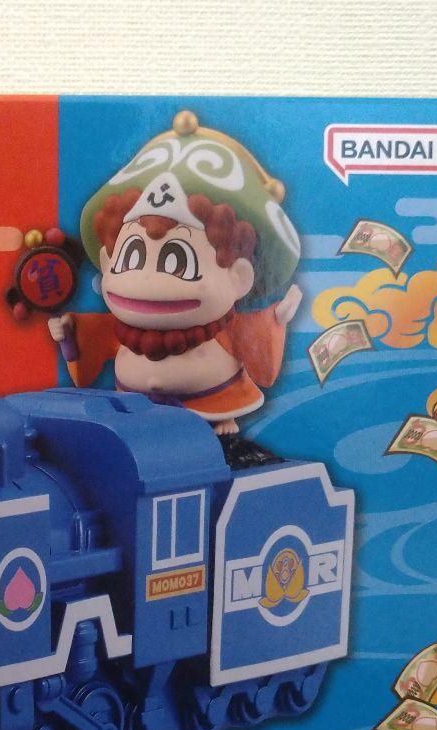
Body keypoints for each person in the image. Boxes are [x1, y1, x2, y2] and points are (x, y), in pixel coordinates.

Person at [49, 110, 302, 467]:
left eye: (176, 261)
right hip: (133, 415)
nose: (147, 282)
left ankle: (216, 425)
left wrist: (277, 318)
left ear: (240, 278)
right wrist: (68, 335)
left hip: (209, 410)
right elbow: (90, 341)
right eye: (131, 256)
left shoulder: (224, 328)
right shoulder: (119, 327)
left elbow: (253, 340)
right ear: (107, 262)